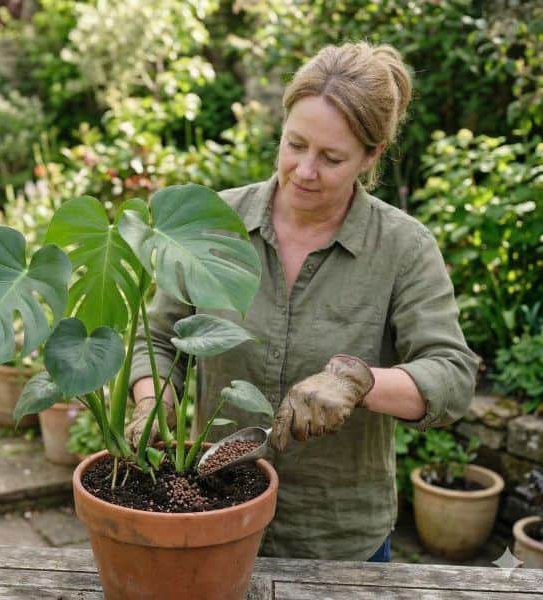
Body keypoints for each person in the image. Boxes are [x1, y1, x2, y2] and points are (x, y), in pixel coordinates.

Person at [126, 41, 479, 561]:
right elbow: (157, 336)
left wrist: (361, 381)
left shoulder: (402, 248)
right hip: (210, 517)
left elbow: (452, 375)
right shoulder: (213, 224)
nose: (305, 171)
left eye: (332, 158)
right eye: (295, 144)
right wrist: (150, 400)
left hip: (337, 540)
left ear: (371, 155)